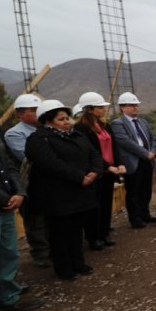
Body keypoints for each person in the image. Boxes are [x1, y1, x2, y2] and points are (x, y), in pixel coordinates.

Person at [25, 100, 103, 280]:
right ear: (48, 121)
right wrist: (79, 177)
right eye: (61, 119)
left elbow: (94, 155)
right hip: (57, 195)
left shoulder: (76, 136)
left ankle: (78, 262)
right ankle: (63, 267)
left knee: (76, 230)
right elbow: (52, 164)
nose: (66, 122)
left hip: (80, 192)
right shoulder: (38, 139)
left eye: (67, 118)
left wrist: (94, 172)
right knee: (60, 232)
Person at [0, 125, 44, 311]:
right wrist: (2, 197)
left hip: (6, 206)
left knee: (7, 254)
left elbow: (10, 166)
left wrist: (19, 191)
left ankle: (6, 298)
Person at [74, 92, 126, 250]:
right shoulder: (81, 128)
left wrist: (119, 163)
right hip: (95, 173)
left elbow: (114, 146)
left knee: (105, 204)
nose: (104, 109)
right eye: (100, 107)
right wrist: (106, 166)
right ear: (89, 109)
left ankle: (104, 233)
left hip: (110, 173)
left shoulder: (104, 126)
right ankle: (93, 237)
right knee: (94, 206)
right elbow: (90, 152)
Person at [3, 94, 50, 268]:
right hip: (30, 184)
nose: (37, 113)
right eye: (32, 110)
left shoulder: (46, 129)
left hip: (49, 182)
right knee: (35, 221)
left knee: (50, 217)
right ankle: (41, 253)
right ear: (20, 114)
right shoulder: (15, 133)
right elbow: (28, 157)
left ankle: (53, 248)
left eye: (38, 109)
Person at [110, 92, 156, 229]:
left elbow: (153, 138)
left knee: (146, 189)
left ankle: (145, 214)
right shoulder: (117, 123)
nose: (135, 107)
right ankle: (135, 218)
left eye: (136, 105)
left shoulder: (143, 122)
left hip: (147, 161)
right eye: (131, 105)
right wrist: (145, 153)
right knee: (133, 191)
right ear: (122, 107)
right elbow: (125, 142)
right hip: (133, 162)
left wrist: (153, 153)